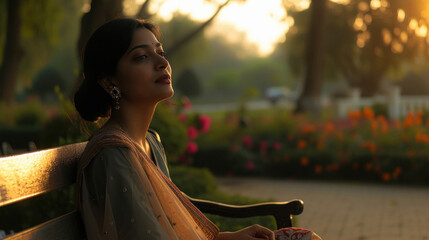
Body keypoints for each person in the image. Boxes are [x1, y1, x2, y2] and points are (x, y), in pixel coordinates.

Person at [74, 18, 321, 240]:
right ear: (110, 81)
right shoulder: (114, 156)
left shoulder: (149, 142)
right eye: (141, 57)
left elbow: (171, 224)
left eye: (161, 52)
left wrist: (227, 238)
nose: (162, 63)